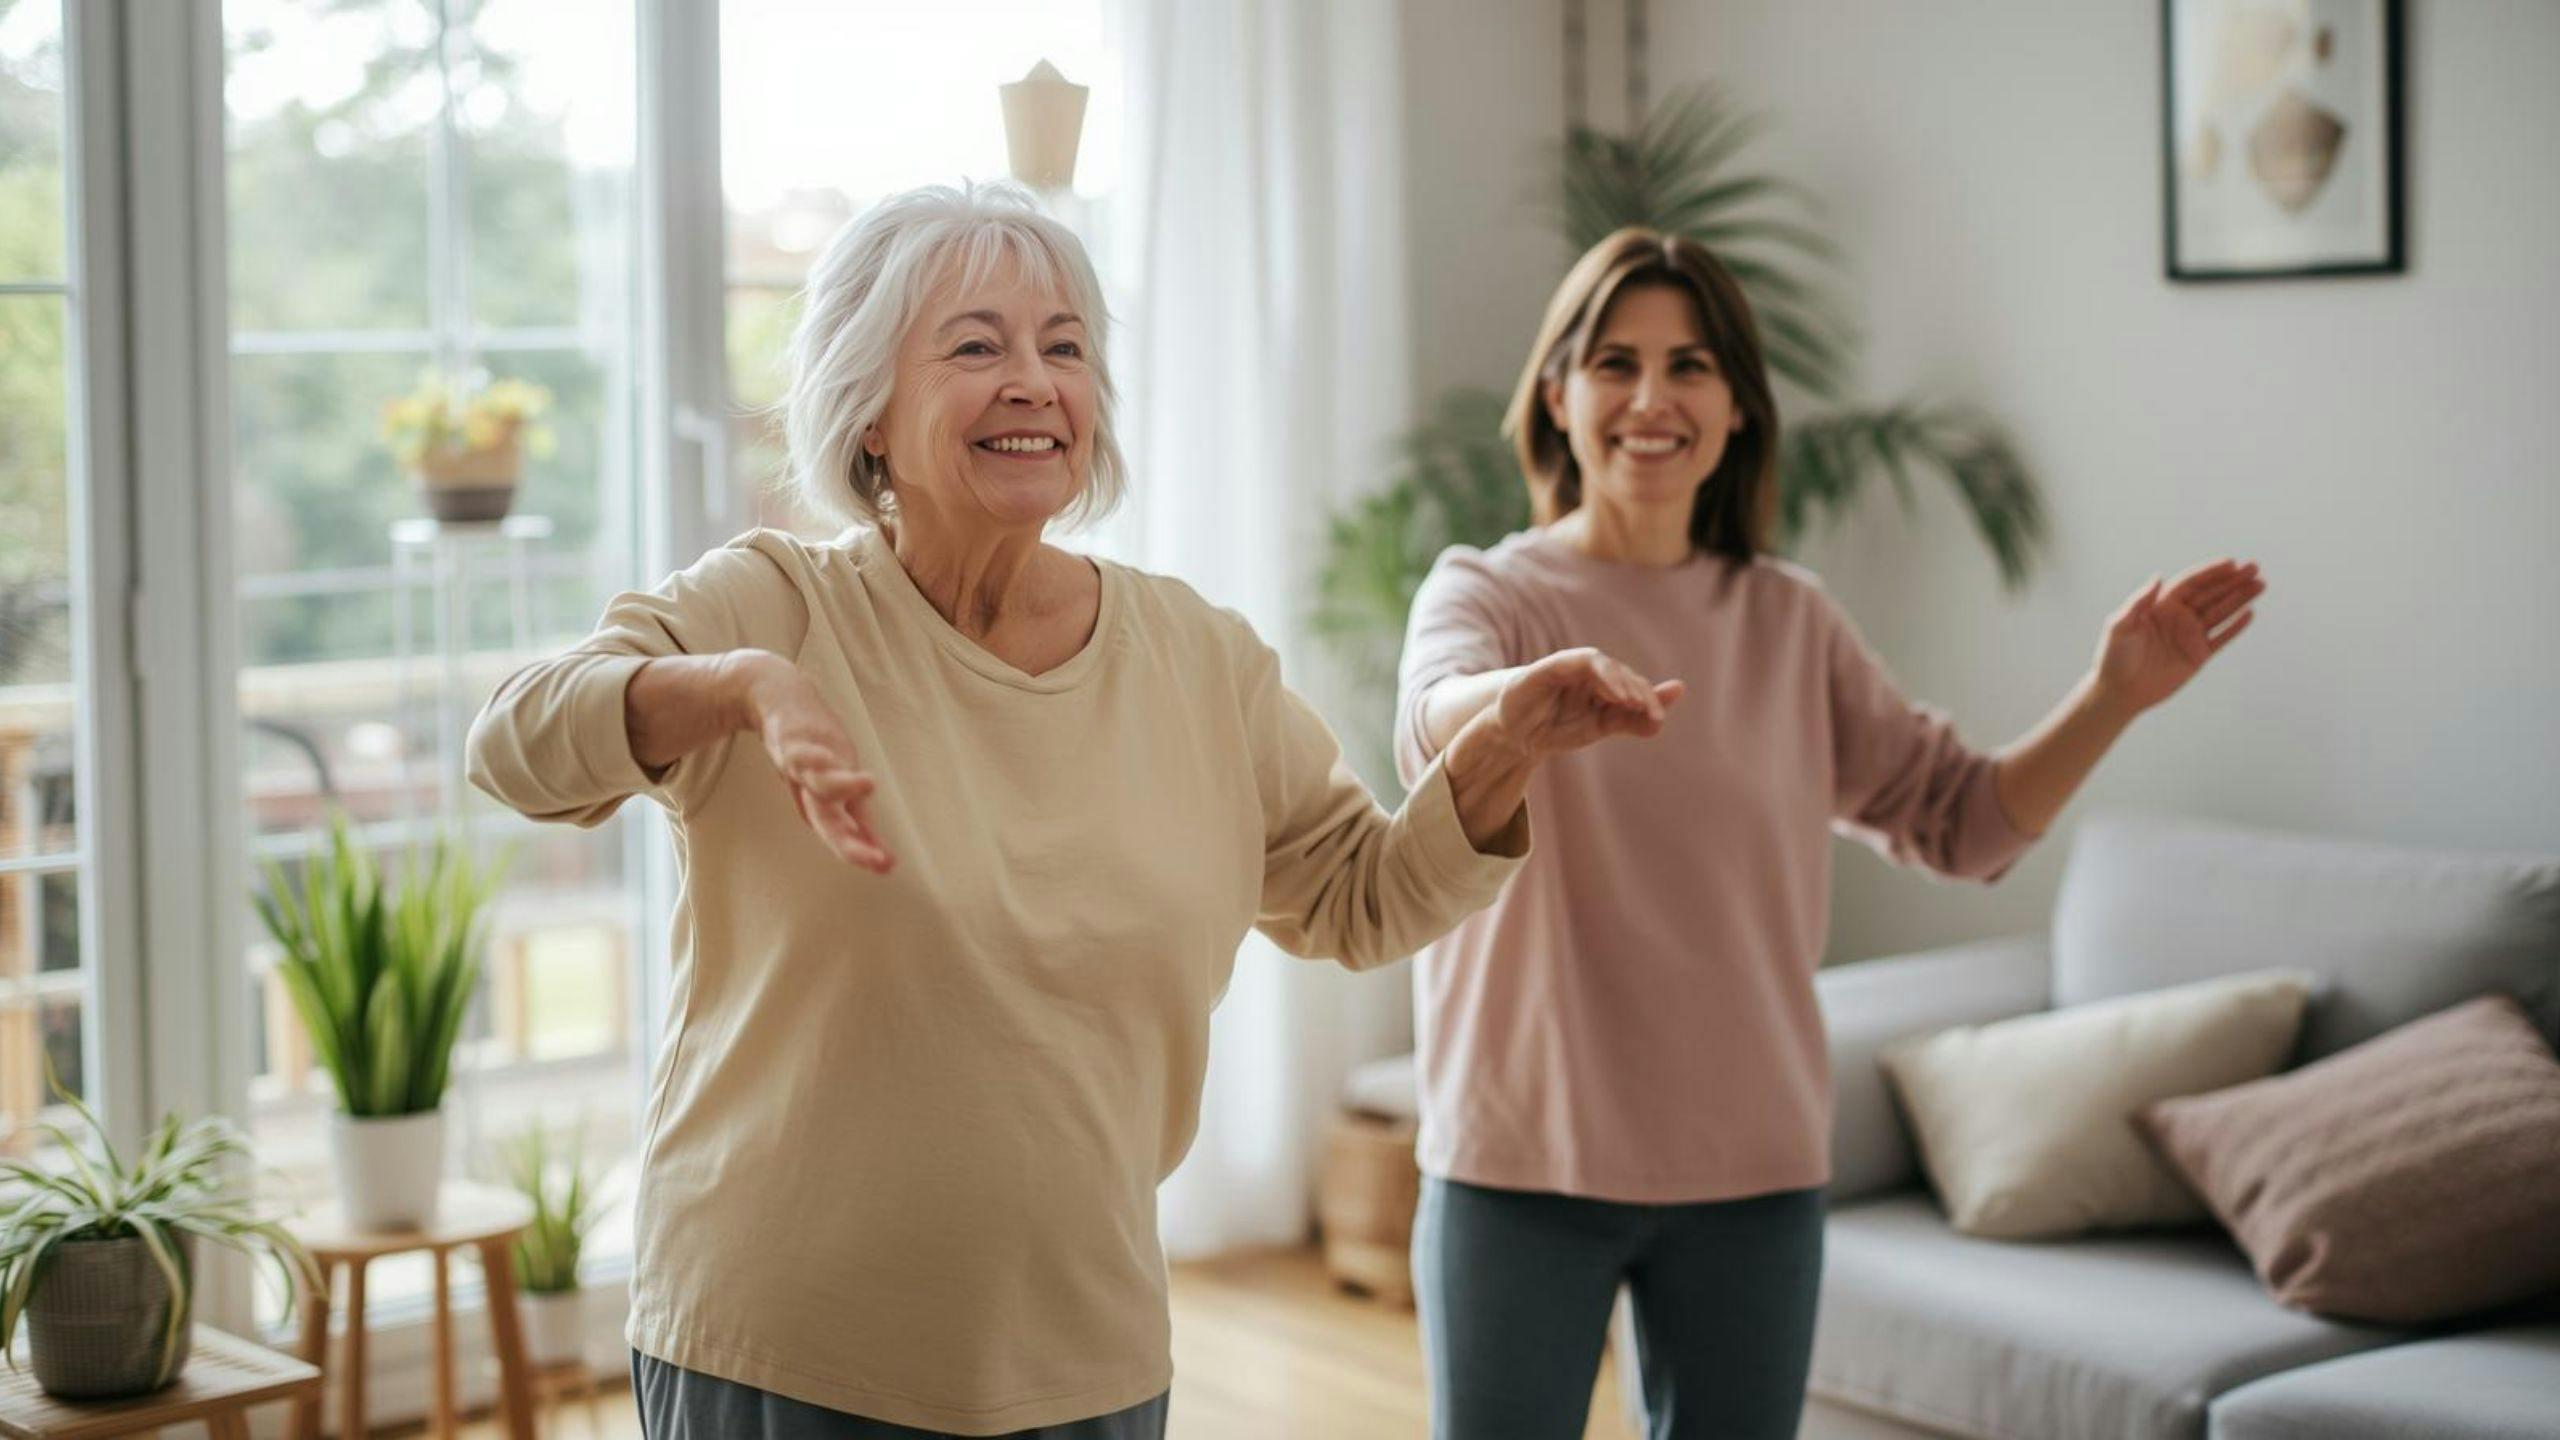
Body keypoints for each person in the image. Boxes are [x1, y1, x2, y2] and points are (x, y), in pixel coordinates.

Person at [465, 182, 1684, 1440]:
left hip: (1085, 1358)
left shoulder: (1196, 657)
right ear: (867, 409)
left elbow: (1359, 896)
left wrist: (1503, 747)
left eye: (1064, 347)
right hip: (788, 1350)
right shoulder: (775, 607)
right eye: (976, 344)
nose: (1033, 381)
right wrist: (737, 690)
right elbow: (514, 744)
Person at [1396, 226, 2265, 1440]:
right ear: (1557, 395)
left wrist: (2113, 692)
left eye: (1691, 366)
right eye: (1615, 363)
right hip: (1517, 1160)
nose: (1652, 399)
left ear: (1740, 409)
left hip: (1750, 1175)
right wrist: (1520, 706)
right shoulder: (1488, 595)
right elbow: (1430, 720)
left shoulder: (1787, 621)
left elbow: (1961, 822)